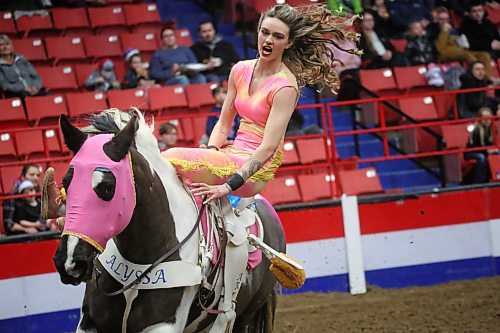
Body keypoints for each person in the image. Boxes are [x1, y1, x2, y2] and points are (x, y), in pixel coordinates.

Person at [41, 4, 360, 330]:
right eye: (265, 31)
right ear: (259, 29)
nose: (268, 39)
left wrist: (228, 185)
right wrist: (209, 151)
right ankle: (70, 203)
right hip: (225, 153)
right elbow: (223, 123)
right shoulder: (240, 70)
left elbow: (266, 148)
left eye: (277, 36)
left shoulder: (286, 87)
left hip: (252, 168)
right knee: (170, 166)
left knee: (164, 162)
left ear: (288, 43)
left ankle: (226, 303)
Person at [426, 6, 493, 78]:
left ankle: (487, 78)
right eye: (441, 19)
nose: (444, 21)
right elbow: (439, 49)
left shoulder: (452, 30)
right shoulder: (431, 30)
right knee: (467, 55)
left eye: (446, 19)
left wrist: (461, 41)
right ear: (436, 20)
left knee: (484, 55)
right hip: (442, 55)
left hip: (457, 51)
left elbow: (457, 42)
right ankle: (479, 79)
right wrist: (444, 31)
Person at [0, 34, 44, 99]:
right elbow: (4, 84)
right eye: (1, 45)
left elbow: (35, 77)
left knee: (48, 95)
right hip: (15, 93)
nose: (5, 47)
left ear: (11, 46)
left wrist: (36, 87)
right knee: (24, 95)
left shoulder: (21, 59)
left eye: (7, 44)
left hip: (31, 90)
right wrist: (24, 88)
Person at [3, 164, 42, 235]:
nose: (36, 178)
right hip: (19, 238)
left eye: (38, 175)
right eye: (32, 175)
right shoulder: (11, 198)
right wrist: (26, 229)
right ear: (23, 177)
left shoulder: (39, 197)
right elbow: (8, 224)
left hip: (42, 235)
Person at [464, 107, 498, 184]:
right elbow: (474, 147)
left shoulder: (491, 129)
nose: (487, 121)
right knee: (481, 158)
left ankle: (495, 178)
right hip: (471, 152)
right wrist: (487, 150)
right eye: (484, 118)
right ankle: (479, 182)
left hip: (484, 151)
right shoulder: (476, 130)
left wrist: (493, 150)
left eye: (489, 118)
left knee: (497, 154)